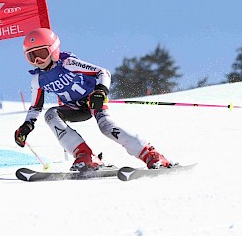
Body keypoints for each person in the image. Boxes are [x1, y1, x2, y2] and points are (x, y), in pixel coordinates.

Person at [14, 28, 173, 171]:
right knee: (50, 115)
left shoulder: (68, 63)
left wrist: (100, 91)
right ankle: (86, 157)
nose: (37, 61)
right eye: (31, 56)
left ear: (53, 50)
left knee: (106, 127)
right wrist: (27, 125)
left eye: (41, 54)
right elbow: (35, 107)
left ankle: (152, 155)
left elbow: (103, 72)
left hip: (93, 100)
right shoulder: (38, 80)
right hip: (75, 108)